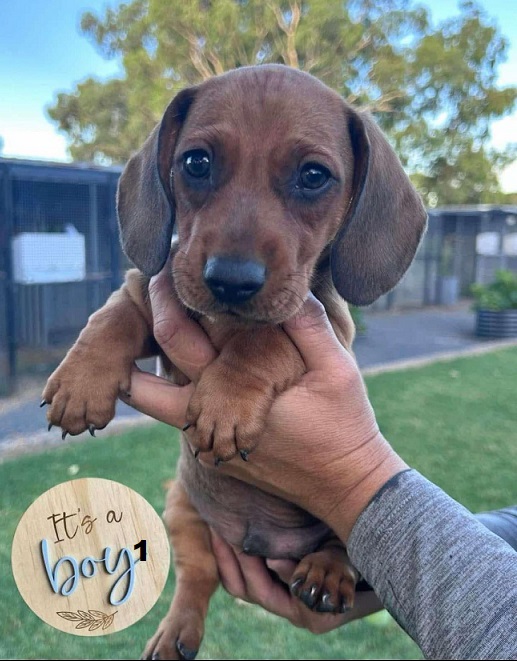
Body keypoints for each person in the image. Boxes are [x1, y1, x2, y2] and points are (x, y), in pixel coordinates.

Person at [121, 267, 517, 660]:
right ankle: (189, 600)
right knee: (184, 506)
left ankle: (334, 557)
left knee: (326, 546)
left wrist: (351, 498)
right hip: (210, 503)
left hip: (314, 528)